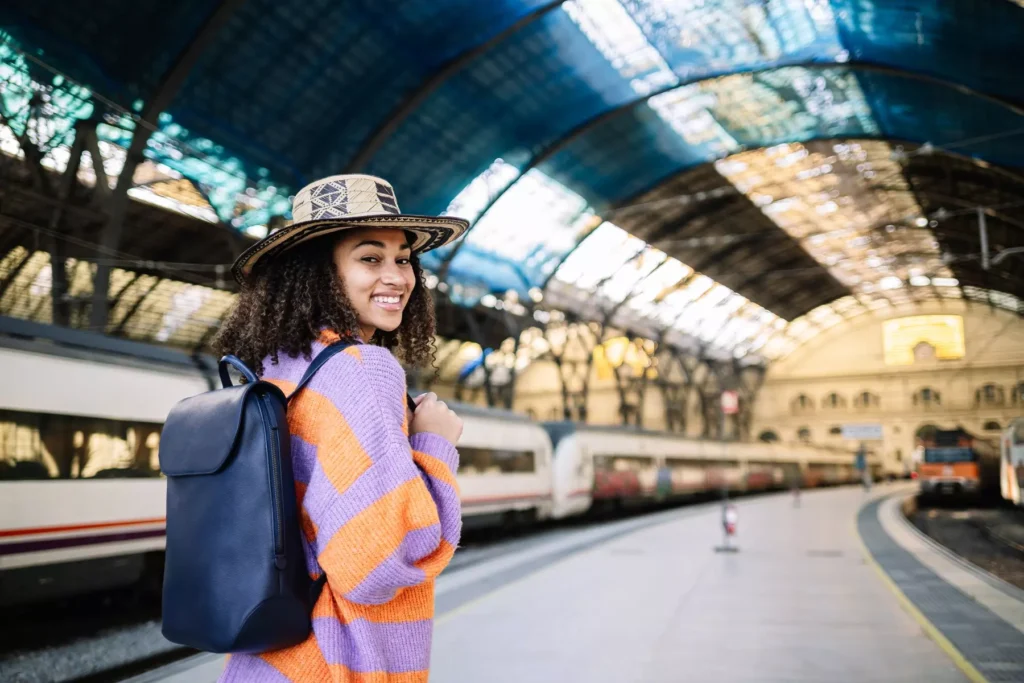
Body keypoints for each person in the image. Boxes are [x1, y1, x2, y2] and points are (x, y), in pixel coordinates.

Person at [213, 174, 469, 682]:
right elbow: (374, 564)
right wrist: (434, 443)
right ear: (319, 272)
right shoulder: (360, 370)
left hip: (268, 660)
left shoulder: (281, 366)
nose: (397, 276)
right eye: (370, 258)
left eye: (403, 258)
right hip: (335, 660)